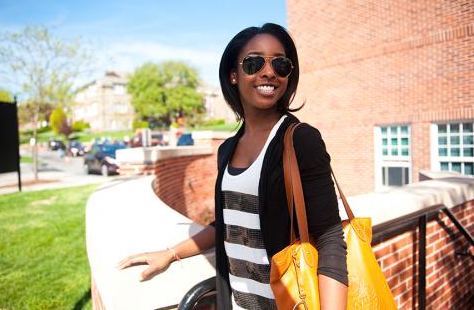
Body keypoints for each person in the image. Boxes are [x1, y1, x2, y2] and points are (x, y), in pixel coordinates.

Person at [118, 23, 348, 309]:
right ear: (233, 75)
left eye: (280, 63)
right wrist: (170, 253)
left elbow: (330, 238)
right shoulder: (228, 149)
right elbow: (229, 222)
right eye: (254, 62)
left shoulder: (301, 140)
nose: (269, 72)